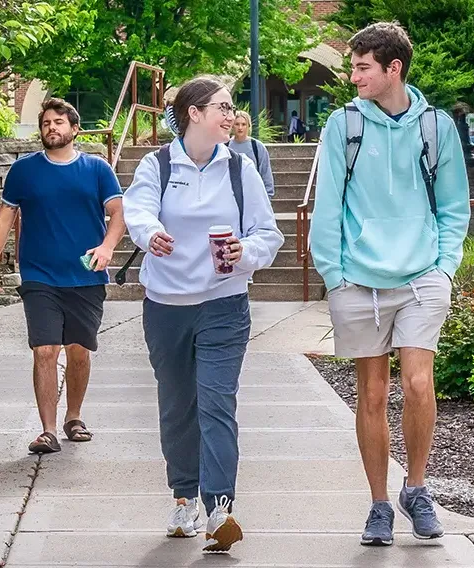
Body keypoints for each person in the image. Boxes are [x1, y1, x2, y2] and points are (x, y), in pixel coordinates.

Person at [309, 22, 471, 547]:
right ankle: (379, 503)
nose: (353, 76)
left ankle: (417, 489)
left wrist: (444, 268)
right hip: (357, 279)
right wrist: (334, 277)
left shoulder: (437, 127)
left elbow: (452, 208)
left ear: (392, 68)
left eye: (362, 67)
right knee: (373, 393)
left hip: (422, 275)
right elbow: (328, 206)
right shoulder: (343, 126)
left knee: (419, 383)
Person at [123, 76, 283, 554]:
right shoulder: (156, 165)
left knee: (217, 404)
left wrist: (244, 251)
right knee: (178, 407)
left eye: (232, 107)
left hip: (224, 305)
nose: (231, 114)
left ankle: (220, 510)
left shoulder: (241, 170)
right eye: (222, 106)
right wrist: (151, 235)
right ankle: (183, 498)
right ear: (194, 113)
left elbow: (267, 234)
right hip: (166, 308)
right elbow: (138, 211)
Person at [0, 98, 125, 455]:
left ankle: (73, 417)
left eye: (59, 122)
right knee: (45, 350)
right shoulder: (24, 171)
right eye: (46, 122)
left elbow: (118, 212)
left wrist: (107, 247)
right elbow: (4, 219)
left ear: (74, 130)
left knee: (78, 350)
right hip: (39, 275)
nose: (52, 128)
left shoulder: (97, 169)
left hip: (85, 275)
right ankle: (47, 430)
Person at [228, 110, 275, 199]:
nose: (240, 127)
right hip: (230, 196)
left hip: (253, 195)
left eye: (243, 124)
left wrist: (267, 198)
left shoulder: (257, 147)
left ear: (249, 126)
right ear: (232, 126)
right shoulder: (225, 146)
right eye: (237, 124)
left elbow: (266, 174)